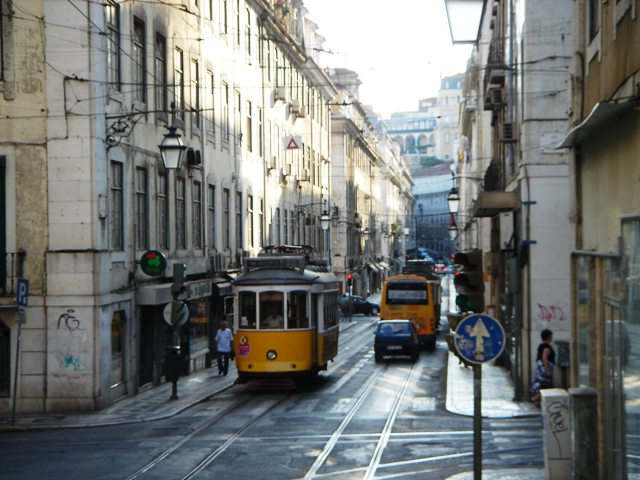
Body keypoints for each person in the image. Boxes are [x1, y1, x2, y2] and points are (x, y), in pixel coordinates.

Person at [530, 329, 556, 406]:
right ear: (548, 337)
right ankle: (535, 398)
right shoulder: (546, 347)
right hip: (544, 370)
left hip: (541, 370)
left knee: (542, 385)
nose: (551, 338)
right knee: (545, 385)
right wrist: (547, 370)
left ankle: (537, 399)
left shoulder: (541, 346)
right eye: (550, 336)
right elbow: (544, 358)